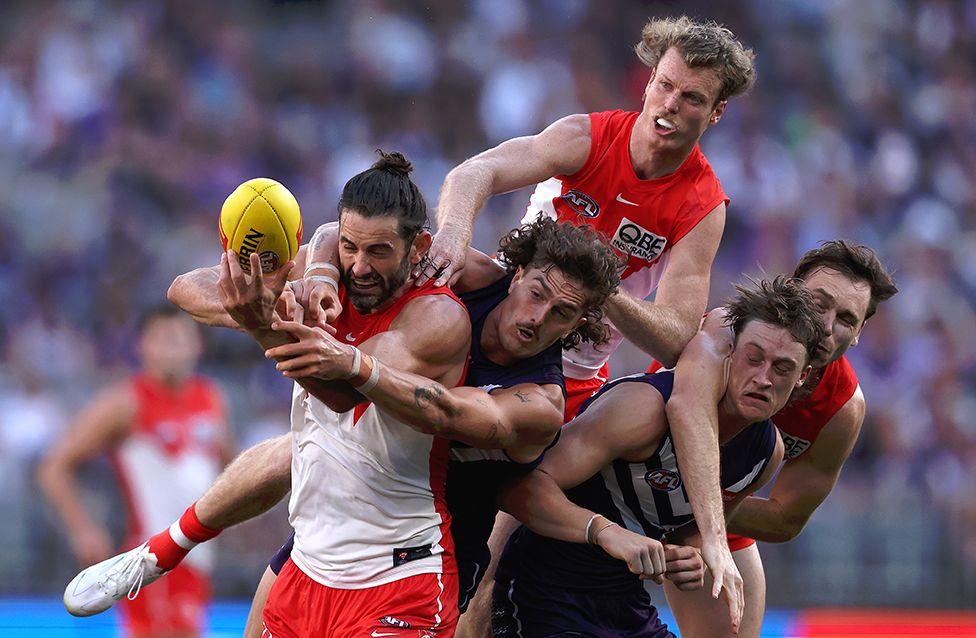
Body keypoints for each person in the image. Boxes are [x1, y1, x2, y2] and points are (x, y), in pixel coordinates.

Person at [420, 16, 758, 628]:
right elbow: (474, 173)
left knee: (483, 566)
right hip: (493, 329)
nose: (669, 106)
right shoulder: (588, 137)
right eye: (664, 86)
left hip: (567, 382)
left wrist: (603, 295)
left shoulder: (701, 205)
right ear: (649, 81)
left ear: (716, 114)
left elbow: (680, 335)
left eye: (692, 99)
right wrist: (452, 232)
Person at [64, 150, 474, 636]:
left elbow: (342, 396)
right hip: (307, 565)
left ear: (417, 246)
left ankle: (163, 550)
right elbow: (185, 289)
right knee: (295, 448)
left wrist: (264, 325)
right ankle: (158, 552)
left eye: (379, 252)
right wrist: (263, 293)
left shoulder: (437, 318)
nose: (360, 267)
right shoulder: (324, 272)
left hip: (397, 574)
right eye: (350, 247)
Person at [239, 217, 631, 636]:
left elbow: (441, 412)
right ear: (516, 275)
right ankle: (171, 546)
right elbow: (353, 233)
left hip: (428, 557)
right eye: (536, 294)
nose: (537, 317)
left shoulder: (540, 402)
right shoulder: (470, 275)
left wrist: (355, 363)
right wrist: (319, 272)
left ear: (578, 326)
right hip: (339, 528)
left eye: (562, 313)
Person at [491, 276, 826, 637]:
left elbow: (690, 531)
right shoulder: (643, 409)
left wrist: (686, 556)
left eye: (782, 368)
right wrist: (605, 532)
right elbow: (517, 488)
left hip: (625, 603)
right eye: (753, 358)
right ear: (729, 352)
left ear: (803, 377)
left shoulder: (765, 454)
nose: (763, 378)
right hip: (543, 593)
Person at [659, 240, 898, 637]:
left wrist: (706, 513)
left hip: (708, 516)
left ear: (858, 333)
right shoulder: (728, 332)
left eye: (845, 319)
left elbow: (785, 518)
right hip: (625, 477)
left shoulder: (842, 410)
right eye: (819, 303)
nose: (825, 326)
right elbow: (684, 411)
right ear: (791, 287)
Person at [38, 305, 234, 638]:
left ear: (197, 345)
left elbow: (228, 468)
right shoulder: (125, 402)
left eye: (179, 339)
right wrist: (83, 528)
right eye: (161, 339)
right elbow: (55, 467)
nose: (171, 349)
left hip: (199, 558)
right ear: (142, 346)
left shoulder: (211, 399)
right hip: (150, 559)